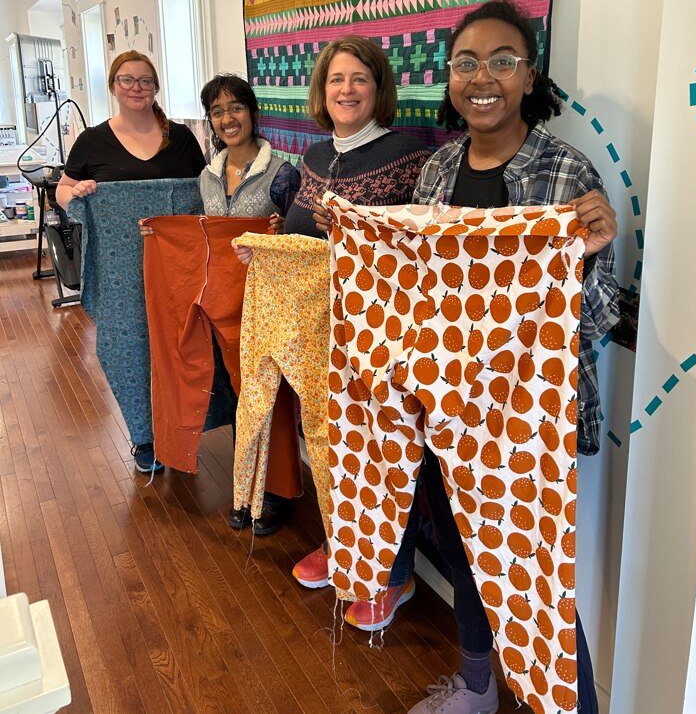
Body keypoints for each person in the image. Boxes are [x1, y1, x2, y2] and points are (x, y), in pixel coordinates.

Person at [405, 0, 620, 714]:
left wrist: (587, 259)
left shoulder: (567, 174)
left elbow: (598, 317)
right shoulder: (436, 174)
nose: (483, 76)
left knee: (534, 588)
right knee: (465, 560)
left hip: (526, 425)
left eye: (503, 60)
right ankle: (477, 690)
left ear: (531, 77)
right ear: (449, 79)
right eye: (466, 62)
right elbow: (414, 293)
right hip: (444, 408)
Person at [236, 35, 431, 632]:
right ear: (322, 92)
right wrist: (269, 252)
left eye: (359, 79)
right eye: (336, 80)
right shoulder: (314, 157)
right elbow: (297, 229)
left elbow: (418, 249)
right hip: (310, 327)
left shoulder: (408, 154)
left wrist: (352, 235)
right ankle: (342, 546)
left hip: (374, 332)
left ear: (379, 89)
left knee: (377, 447)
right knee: (326, 440)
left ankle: (393, 577)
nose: (346, 90)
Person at [142, 72, 301, 535]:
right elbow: (205, 234)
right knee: (239, 398)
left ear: (252, 112)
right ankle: (247, 485)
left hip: (268, 303)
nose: (227, 118)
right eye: (217, 111)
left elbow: (297, 239)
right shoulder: (208, 175)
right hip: (224, 306)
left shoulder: (283, 172)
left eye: (235, 108)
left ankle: (277, 492)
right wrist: (160, 236)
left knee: (269, 396)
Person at [56, 50, 206, 474]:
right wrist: (78, 194)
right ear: (113, 86)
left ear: (156, 87)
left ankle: (188, 425)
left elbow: (204, 192)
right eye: (127, 80)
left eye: (144, 81)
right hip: (122, 271)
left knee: (183, 339)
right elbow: (63, 192)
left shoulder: (180, 138)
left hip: (179, 264)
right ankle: (144, 434)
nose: (136, 88)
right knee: (128, 344)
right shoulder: (92, 140)